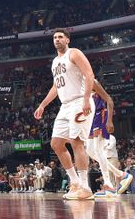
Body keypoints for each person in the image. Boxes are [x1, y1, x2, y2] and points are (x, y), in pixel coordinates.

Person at [34, 28, 95, 200]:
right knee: (56, 144)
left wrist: (85, 99)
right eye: (54, 37)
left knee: (77, 142)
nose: (57, 39)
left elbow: (89, 74)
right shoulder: (55, 61)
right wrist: (43, 105)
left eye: (60, 37)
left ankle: (85, 187)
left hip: (78, 101)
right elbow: (56, 86)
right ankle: (74, 182)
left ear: (67, 40)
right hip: (65, 105)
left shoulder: (74, 53)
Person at [86, 79, 133, 197]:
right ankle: (120, 174)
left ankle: (109, 185)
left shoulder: (92, 82)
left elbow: (109, 100)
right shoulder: (79, 87)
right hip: (91, 118)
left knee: (98, 150)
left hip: (101, 114)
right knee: (89, 150)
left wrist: (110, 120)